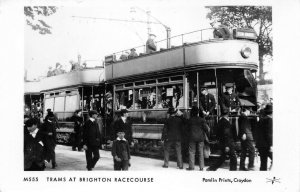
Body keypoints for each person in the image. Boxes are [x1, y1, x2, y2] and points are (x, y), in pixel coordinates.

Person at [186, 107, 210, 171]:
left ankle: (191, 167)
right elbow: (206, 129)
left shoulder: (190, 120)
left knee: (191, 152)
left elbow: (187, 129)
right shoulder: (201, 120)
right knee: (200, 152)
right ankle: (201, 167)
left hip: (192, 138)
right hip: (200, 138)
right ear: (198, 112)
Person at [256, 104, 273, 171]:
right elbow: (269, 134)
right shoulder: (270, 120)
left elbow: (257, 132)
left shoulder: (261, 120)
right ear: (272, 112)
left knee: (263, 163)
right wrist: (271, 145)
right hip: (267, 145)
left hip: (260, 145)